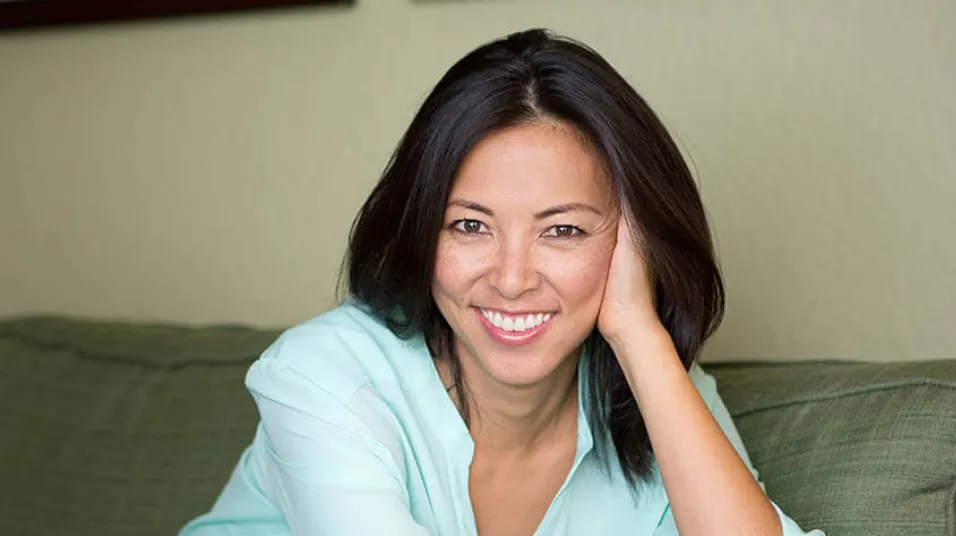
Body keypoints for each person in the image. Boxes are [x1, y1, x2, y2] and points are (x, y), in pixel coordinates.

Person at [180, 29, 824, 536]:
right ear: (419, 230)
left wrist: (637, 331)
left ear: (634, 242)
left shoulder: (658, 394)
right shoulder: (320, 376)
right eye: (468, 225)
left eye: (563, 230)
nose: (511, 280)